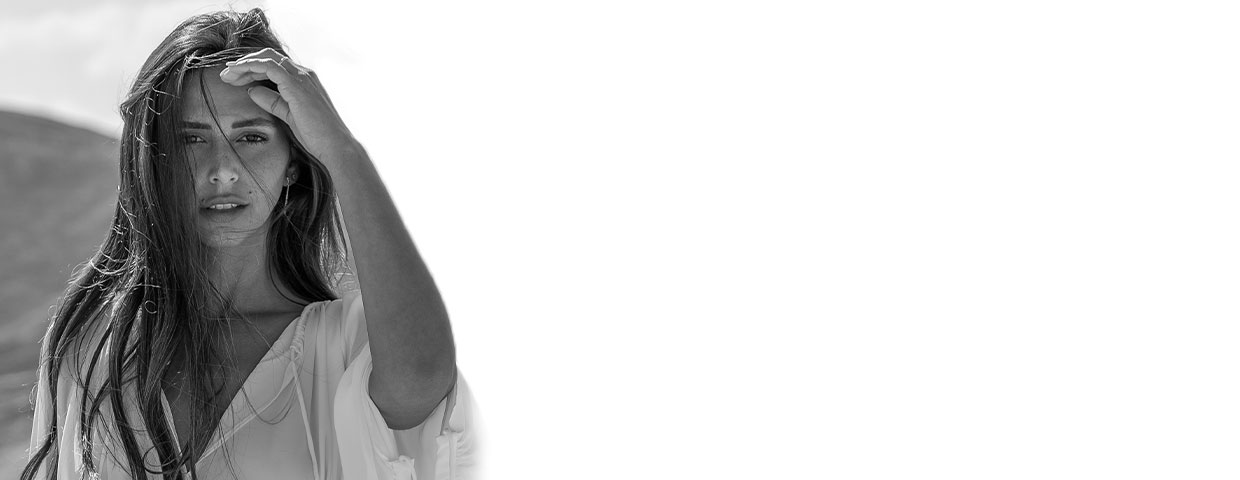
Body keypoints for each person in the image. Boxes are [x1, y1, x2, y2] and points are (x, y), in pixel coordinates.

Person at [22, 8, 477, 480]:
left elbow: (423, 379)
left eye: (252, 137)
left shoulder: (345, 348)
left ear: (294, 164)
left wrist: (343, 150)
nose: (223, 169)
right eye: (191, 139)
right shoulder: (91, 345)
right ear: (155, 161)